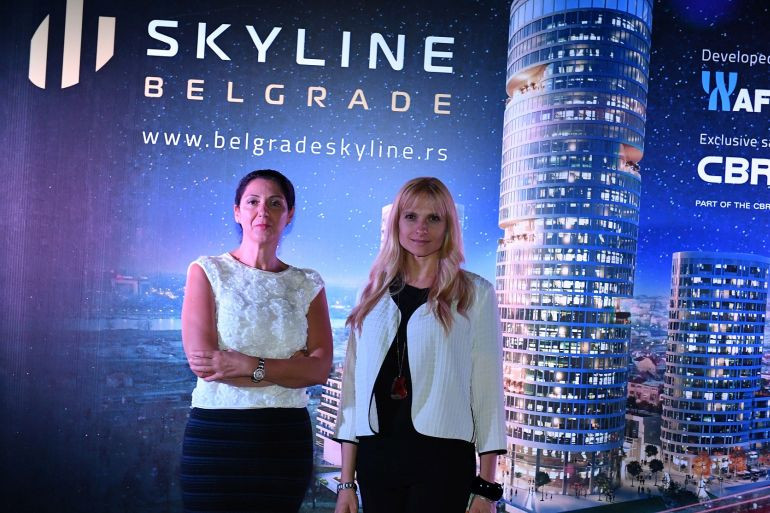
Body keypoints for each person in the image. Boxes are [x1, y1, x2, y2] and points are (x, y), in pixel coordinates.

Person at [333, 177, 506, 513]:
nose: (421, 228)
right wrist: (346, 483)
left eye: (433, 218)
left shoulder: (476, 294)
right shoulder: (370, 295)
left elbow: (488, 395)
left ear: (448, 226)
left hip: (442, 462)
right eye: (411, 216)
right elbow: (351, 393)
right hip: (377, 459)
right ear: (396, 223)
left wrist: (486, 490)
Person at [180, 169, 333, 513]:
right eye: (253, 202)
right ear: (237, 211)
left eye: (275, 203)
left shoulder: (308, 283)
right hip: (216, 436)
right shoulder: (207, 271)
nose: (263, 211)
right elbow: (206, 365)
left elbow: (319, 370)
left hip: (284, 439)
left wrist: (247, 364)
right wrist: (291, 369)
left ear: (289, 215)